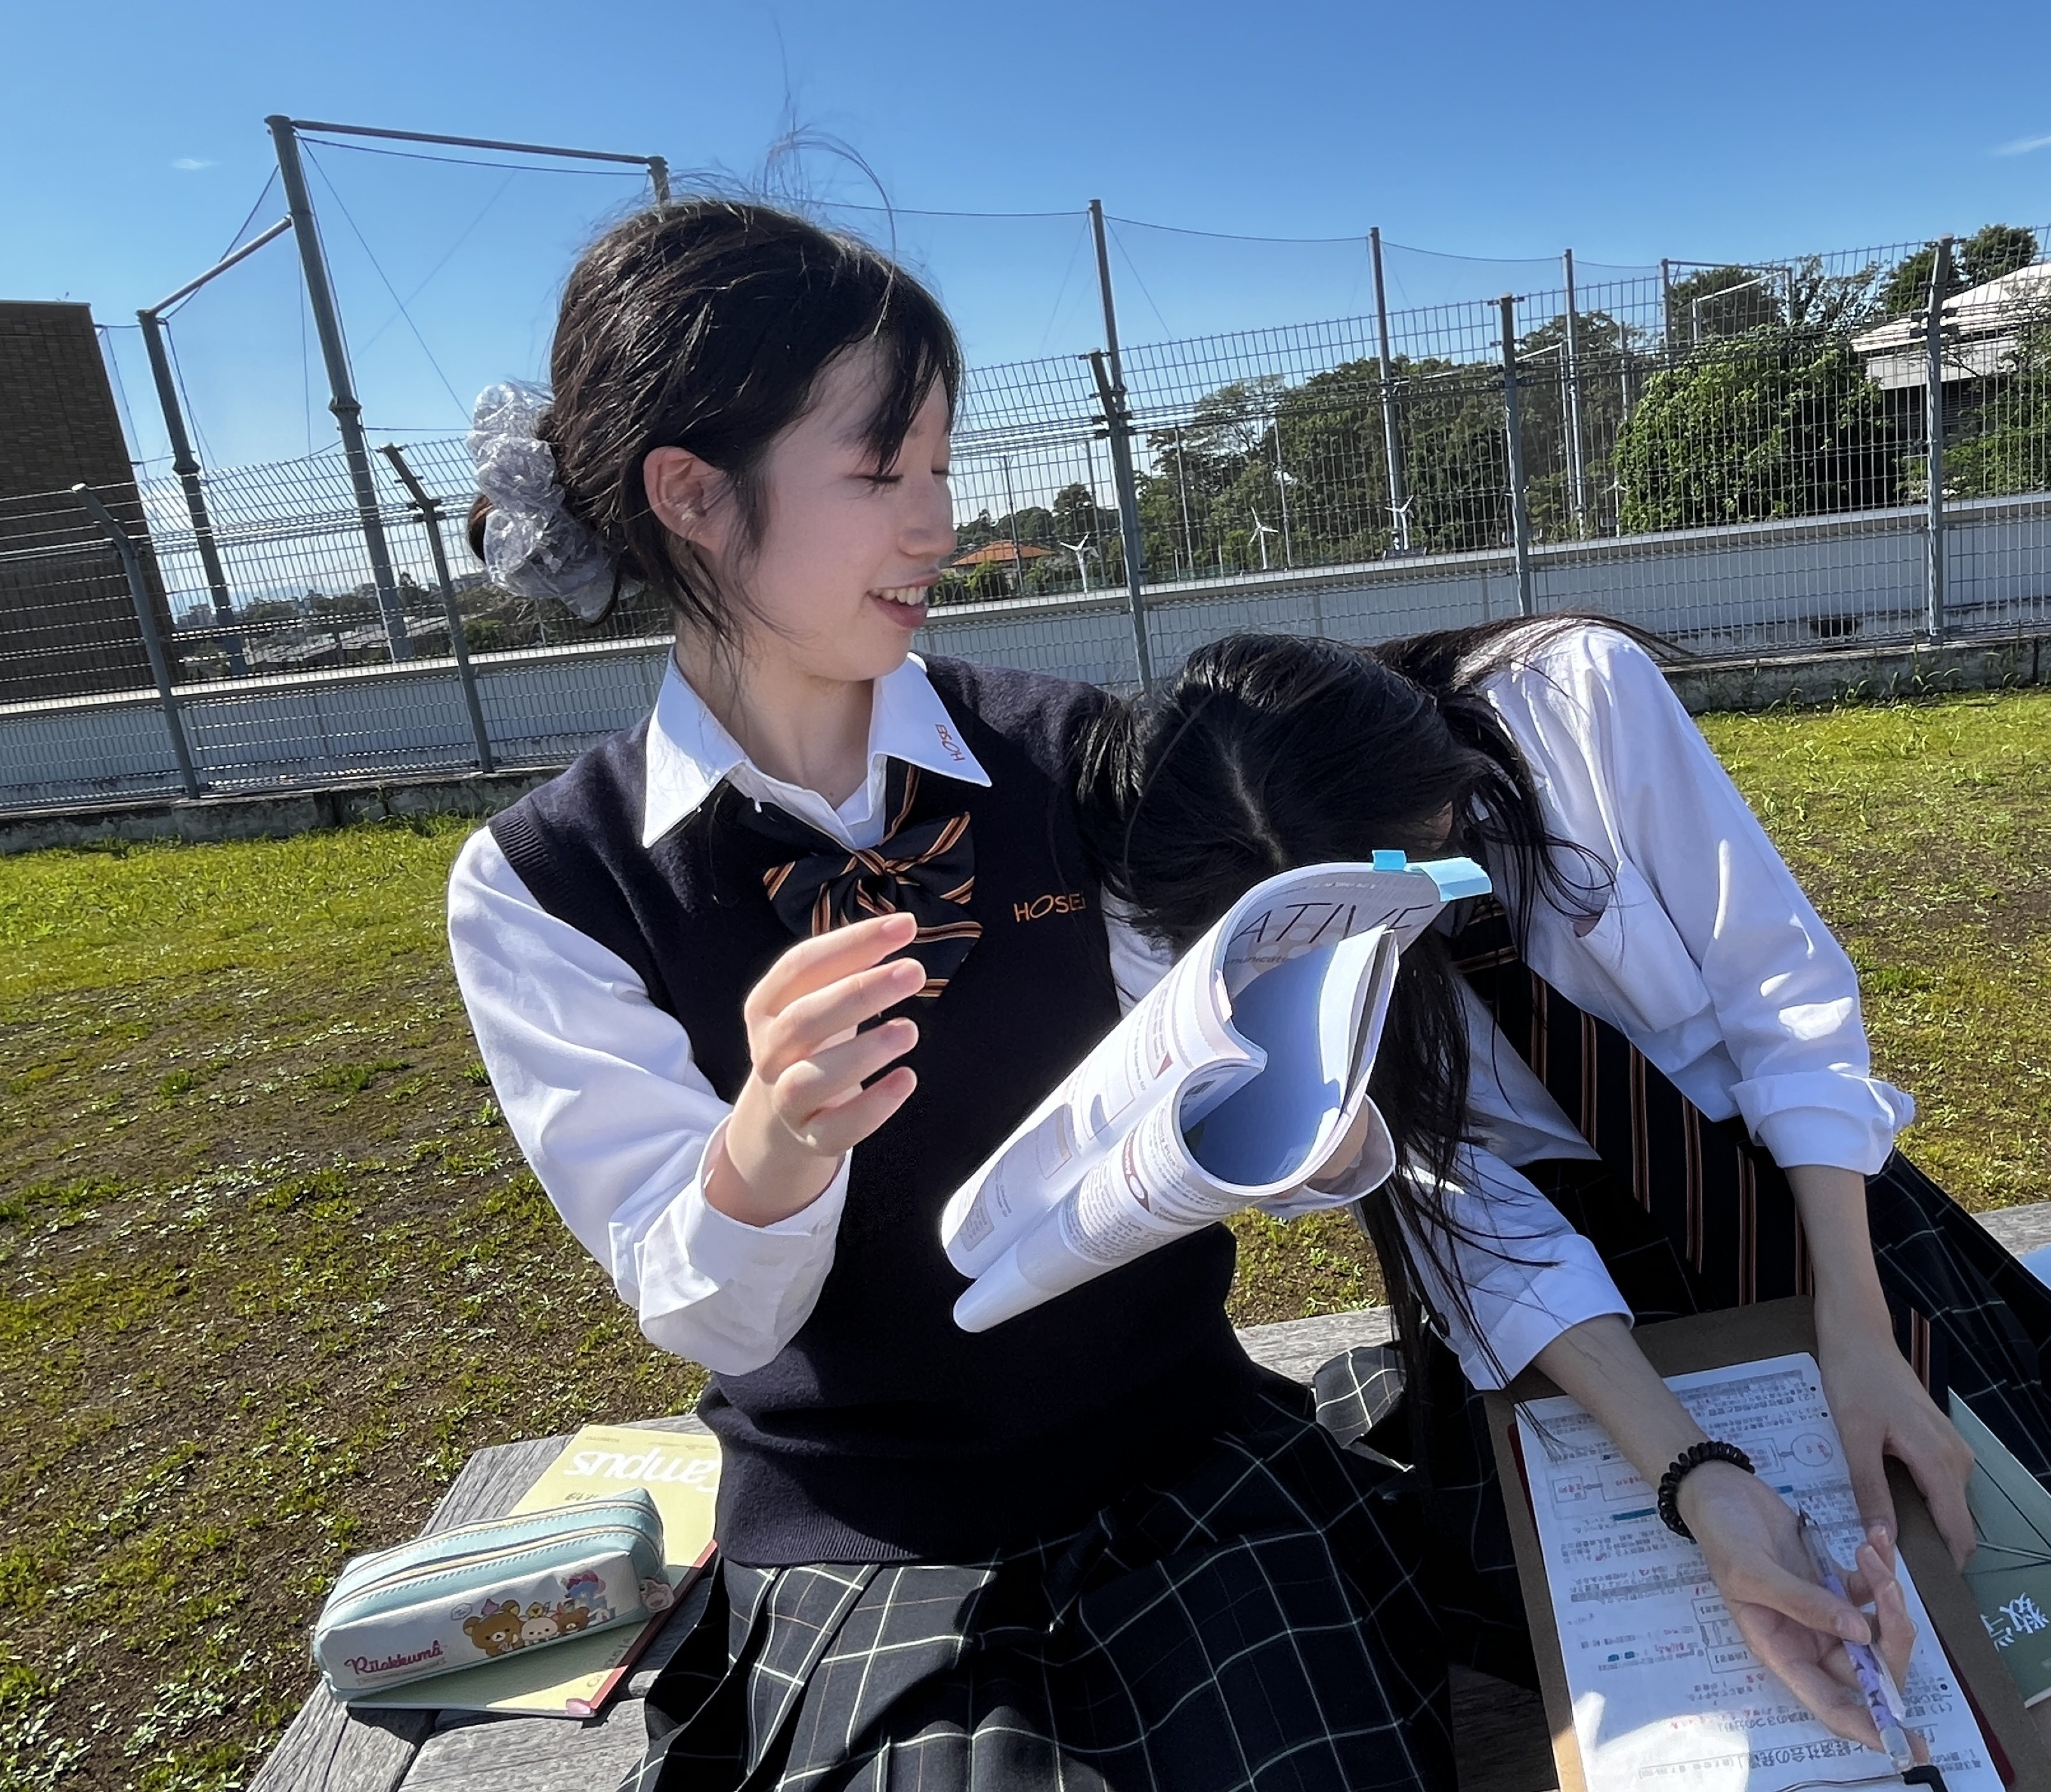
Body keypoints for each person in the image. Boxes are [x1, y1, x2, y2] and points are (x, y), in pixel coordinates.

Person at [446, 198, 1451, 1791]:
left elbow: (1219, 1085)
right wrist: (769, 1147)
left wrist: (1301, 1075)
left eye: (939, 465)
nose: (938, 522)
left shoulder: (1063, 751)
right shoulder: (549, 883)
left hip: (1178, 1453)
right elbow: (706, 1311)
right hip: (864, 1525)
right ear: (691, 495)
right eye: (880, 472)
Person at [1078, 617, 2051, 1792]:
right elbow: (1457, 1214)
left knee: (1965, 1535)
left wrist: (1858, 1331)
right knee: (1678, 1640)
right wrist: (1694, 1477)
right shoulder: (1181, 920)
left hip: (1784, 1185)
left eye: (1414, 877)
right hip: (1548, 1275)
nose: (1412, 931)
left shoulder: (1573, 698)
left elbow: (1784, 1005)